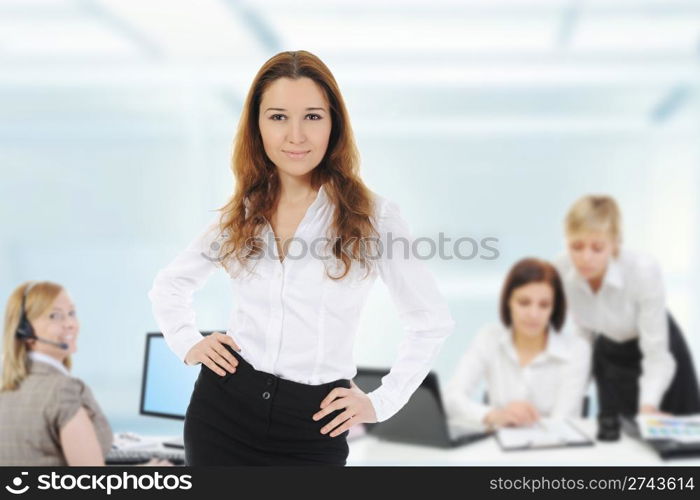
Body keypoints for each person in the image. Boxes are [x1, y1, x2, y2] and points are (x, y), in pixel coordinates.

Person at [148, 50, 455, 466]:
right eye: (278, 117)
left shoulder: (373, 216)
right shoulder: (242, 212)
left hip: (313, 425)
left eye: (312, 116)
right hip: (222, 413)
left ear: (334, 124)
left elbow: (430, 321)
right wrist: (188, 341)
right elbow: (169, 286)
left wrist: (382, 402)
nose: (296, 135)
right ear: (257, 126)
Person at [554, 195, 700, 436]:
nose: (585, 257)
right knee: (617, 441)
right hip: (611, 355)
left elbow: (656, 354)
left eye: (597, 247)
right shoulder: (562, 269)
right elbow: (582, 340)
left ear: (614, 243)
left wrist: (648, 407)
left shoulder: (642, 270)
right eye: (576, 246)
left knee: (673, 447)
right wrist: (564, 416)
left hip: (658, 351)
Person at [0, 281, 169, 466]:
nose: (71, 324)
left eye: (71, 313)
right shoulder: (62, 390)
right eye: (55, 316)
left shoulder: (6, 385)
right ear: (25, 332)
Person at [444, 258, 591, 431]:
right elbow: (450, 397)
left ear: (554, 308)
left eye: (544, 305)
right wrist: (493, 415)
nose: (533, 314)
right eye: (524, 302)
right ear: (509, 302)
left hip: (552, 453)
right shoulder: (489, 338)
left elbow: (563, 423)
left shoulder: (576, 349)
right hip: (497, 450)